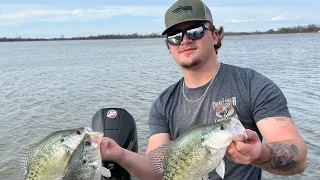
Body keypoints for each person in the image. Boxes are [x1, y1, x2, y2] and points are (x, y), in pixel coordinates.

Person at [100, 0, 307, 179]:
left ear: (215, 36)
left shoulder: (251, 84)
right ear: (169, 46)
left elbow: (298, 159)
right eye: (174, 36)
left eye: (195, 31)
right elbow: (157, 170)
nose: (185, 40)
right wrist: (120, 154)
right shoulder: (162, 104)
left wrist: (260, 153)